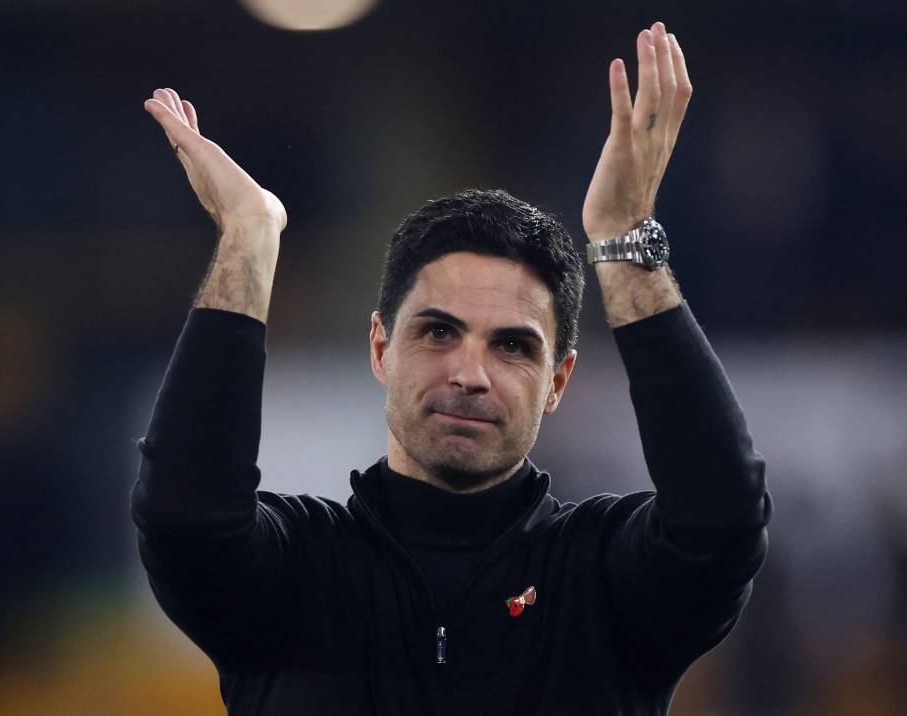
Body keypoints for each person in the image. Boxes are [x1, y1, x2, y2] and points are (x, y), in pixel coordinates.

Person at [132, 21, 771, 715]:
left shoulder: (604, 577)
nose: (470, 373)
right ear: (381, 348)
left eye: (513, 346)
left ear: (557, 382)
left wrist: (623, 242)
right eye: (439, 332)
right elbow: (185, 516)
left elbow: (722, 521)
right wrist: (249, 238)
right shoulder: (294, 571)